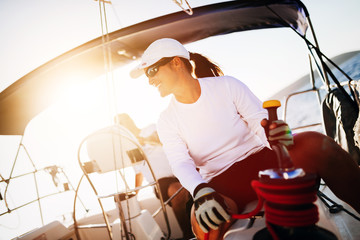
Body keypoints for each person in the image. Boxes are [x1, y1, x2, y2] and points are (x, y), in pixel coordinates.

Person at [130, 38, 360, 239]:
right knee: (206, 224)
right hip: (220, 184)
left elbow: (259, 122)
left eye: (152, 71)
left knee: (317, 145)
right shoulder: (166, 120)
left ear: (176, 63)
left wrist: (277, 135)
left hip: (262, 163)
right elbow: (180, 162)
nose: (150, 80)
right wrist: (200, 191)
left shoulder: (227, 85)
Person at [114, 113, 194, 239]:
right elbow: (138, 172)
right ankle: (188, 234)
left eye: (124, 121)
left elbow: (162, 140)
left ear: (131, 119)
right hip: (160, 182)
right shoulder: (130, 148)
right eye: (120, 124)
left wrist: (143, 140)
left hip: (180, 171)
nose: (124, 125)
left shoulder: (151, 129)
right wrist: (136, 193)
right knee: (177, 190)